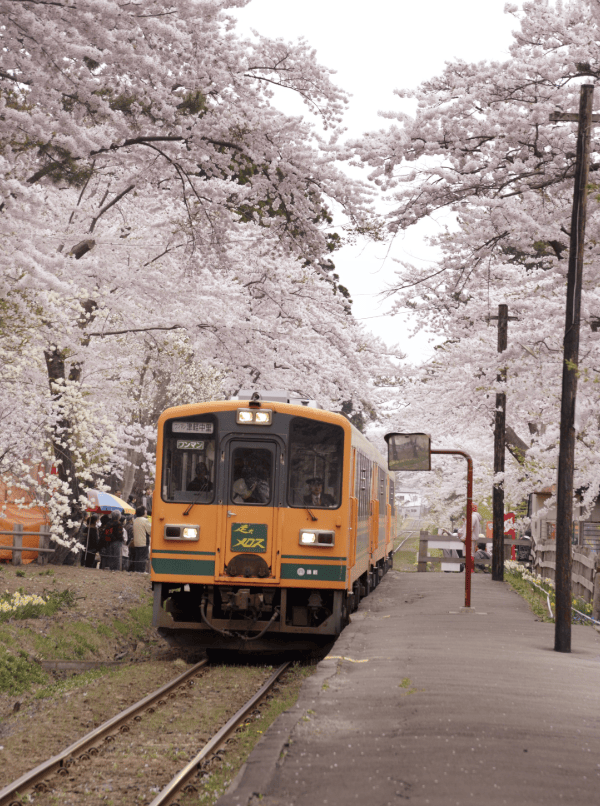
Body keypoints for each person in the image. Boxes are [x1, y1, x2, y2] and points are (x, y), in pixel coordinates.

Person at [132, 505, 151, 572]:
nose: (146, 512)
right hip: (143, 541)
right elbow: (150, 531)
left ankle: (137, 570)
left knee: (137, 557)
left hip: (136, 542)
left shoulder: (135, 520)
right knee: (143, 557)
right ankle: (142, 571)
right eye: (145, 511)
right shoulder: (145, 521)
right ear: (143, 512)